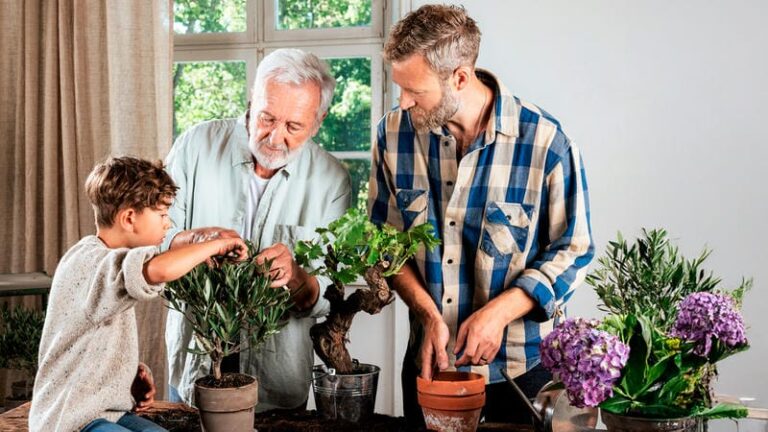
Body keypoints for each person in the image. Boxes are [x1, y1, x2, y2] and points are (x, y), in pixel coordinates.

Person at [368, 4, 595, 427]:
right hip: (428, 364)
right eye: (399, 88)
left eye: (415, 91)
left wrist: (500, 312)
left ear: (459, 77)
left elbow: (575, 249)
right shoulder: (392, 134)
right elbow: (383, 242)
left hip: (521, 372)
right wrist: (428, 315)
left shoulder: (547, 142)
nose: (403, 102)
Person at [164, 48, 352, 411]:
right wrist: (191, 242)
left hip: (278, 385)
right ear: (252, 98)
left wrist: (297, 276)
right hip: (194, 372)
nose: (274, 136)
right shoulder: (195, 146)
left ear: (319, 120)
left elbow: (330, 291)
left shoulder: (332, 181)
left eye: (293, 127)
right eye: (267, 117)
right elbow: (154, 240)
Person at [29, 157, 248, 432]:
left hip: (103, 413)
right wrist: (216, 245)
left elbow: (89, 338)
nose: (168, 225)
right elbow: (159, 269)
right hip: (69, 420)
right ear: (129, 218)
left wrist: (128, 372)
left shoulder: (106, 263)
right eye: (162, 215)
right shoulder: (90, 262)